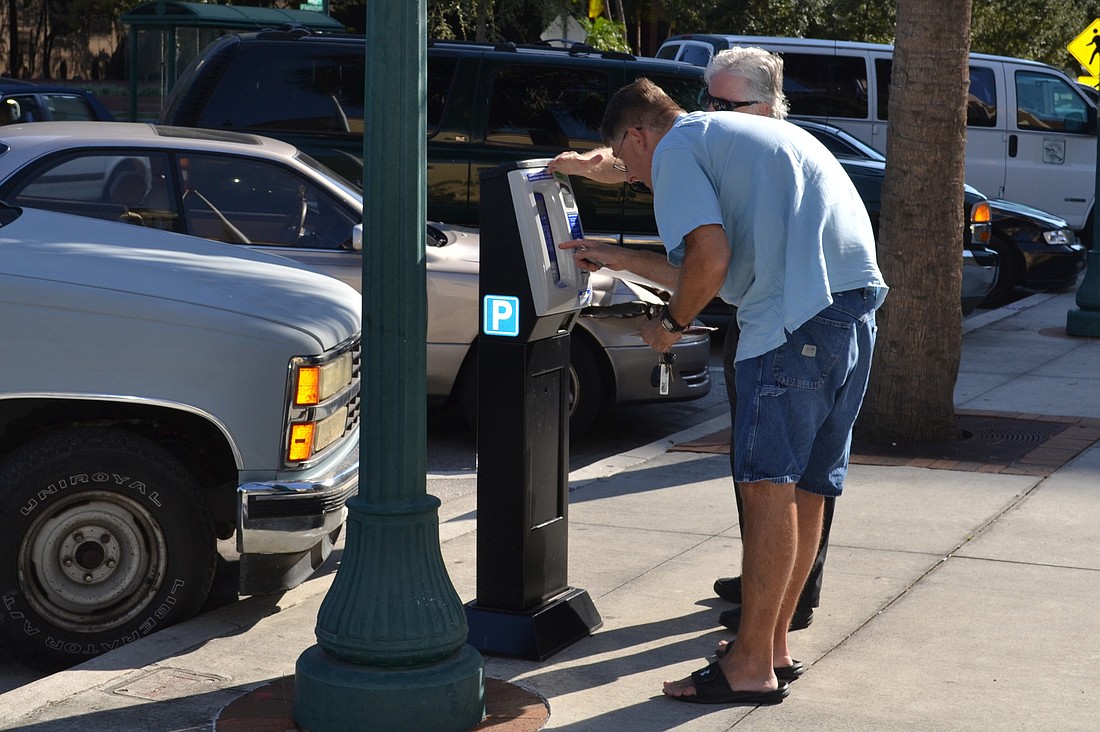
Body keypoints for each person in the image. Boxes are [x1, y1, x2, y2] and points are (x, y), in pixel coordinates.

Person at [554, 78, 886, 705]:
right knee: (806, 488)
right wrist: (618, 256)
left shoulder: (676, 149)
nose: (636, 179)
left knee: (765, 489)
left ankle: (750, 667)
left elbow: (708, 261)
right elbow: (719, 265)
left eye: (629, 165)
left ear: (636, 134)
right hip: (849, 311)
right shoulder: (734, 135)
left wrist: (670, 325)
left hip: (792, 322)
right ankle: (773, 647)